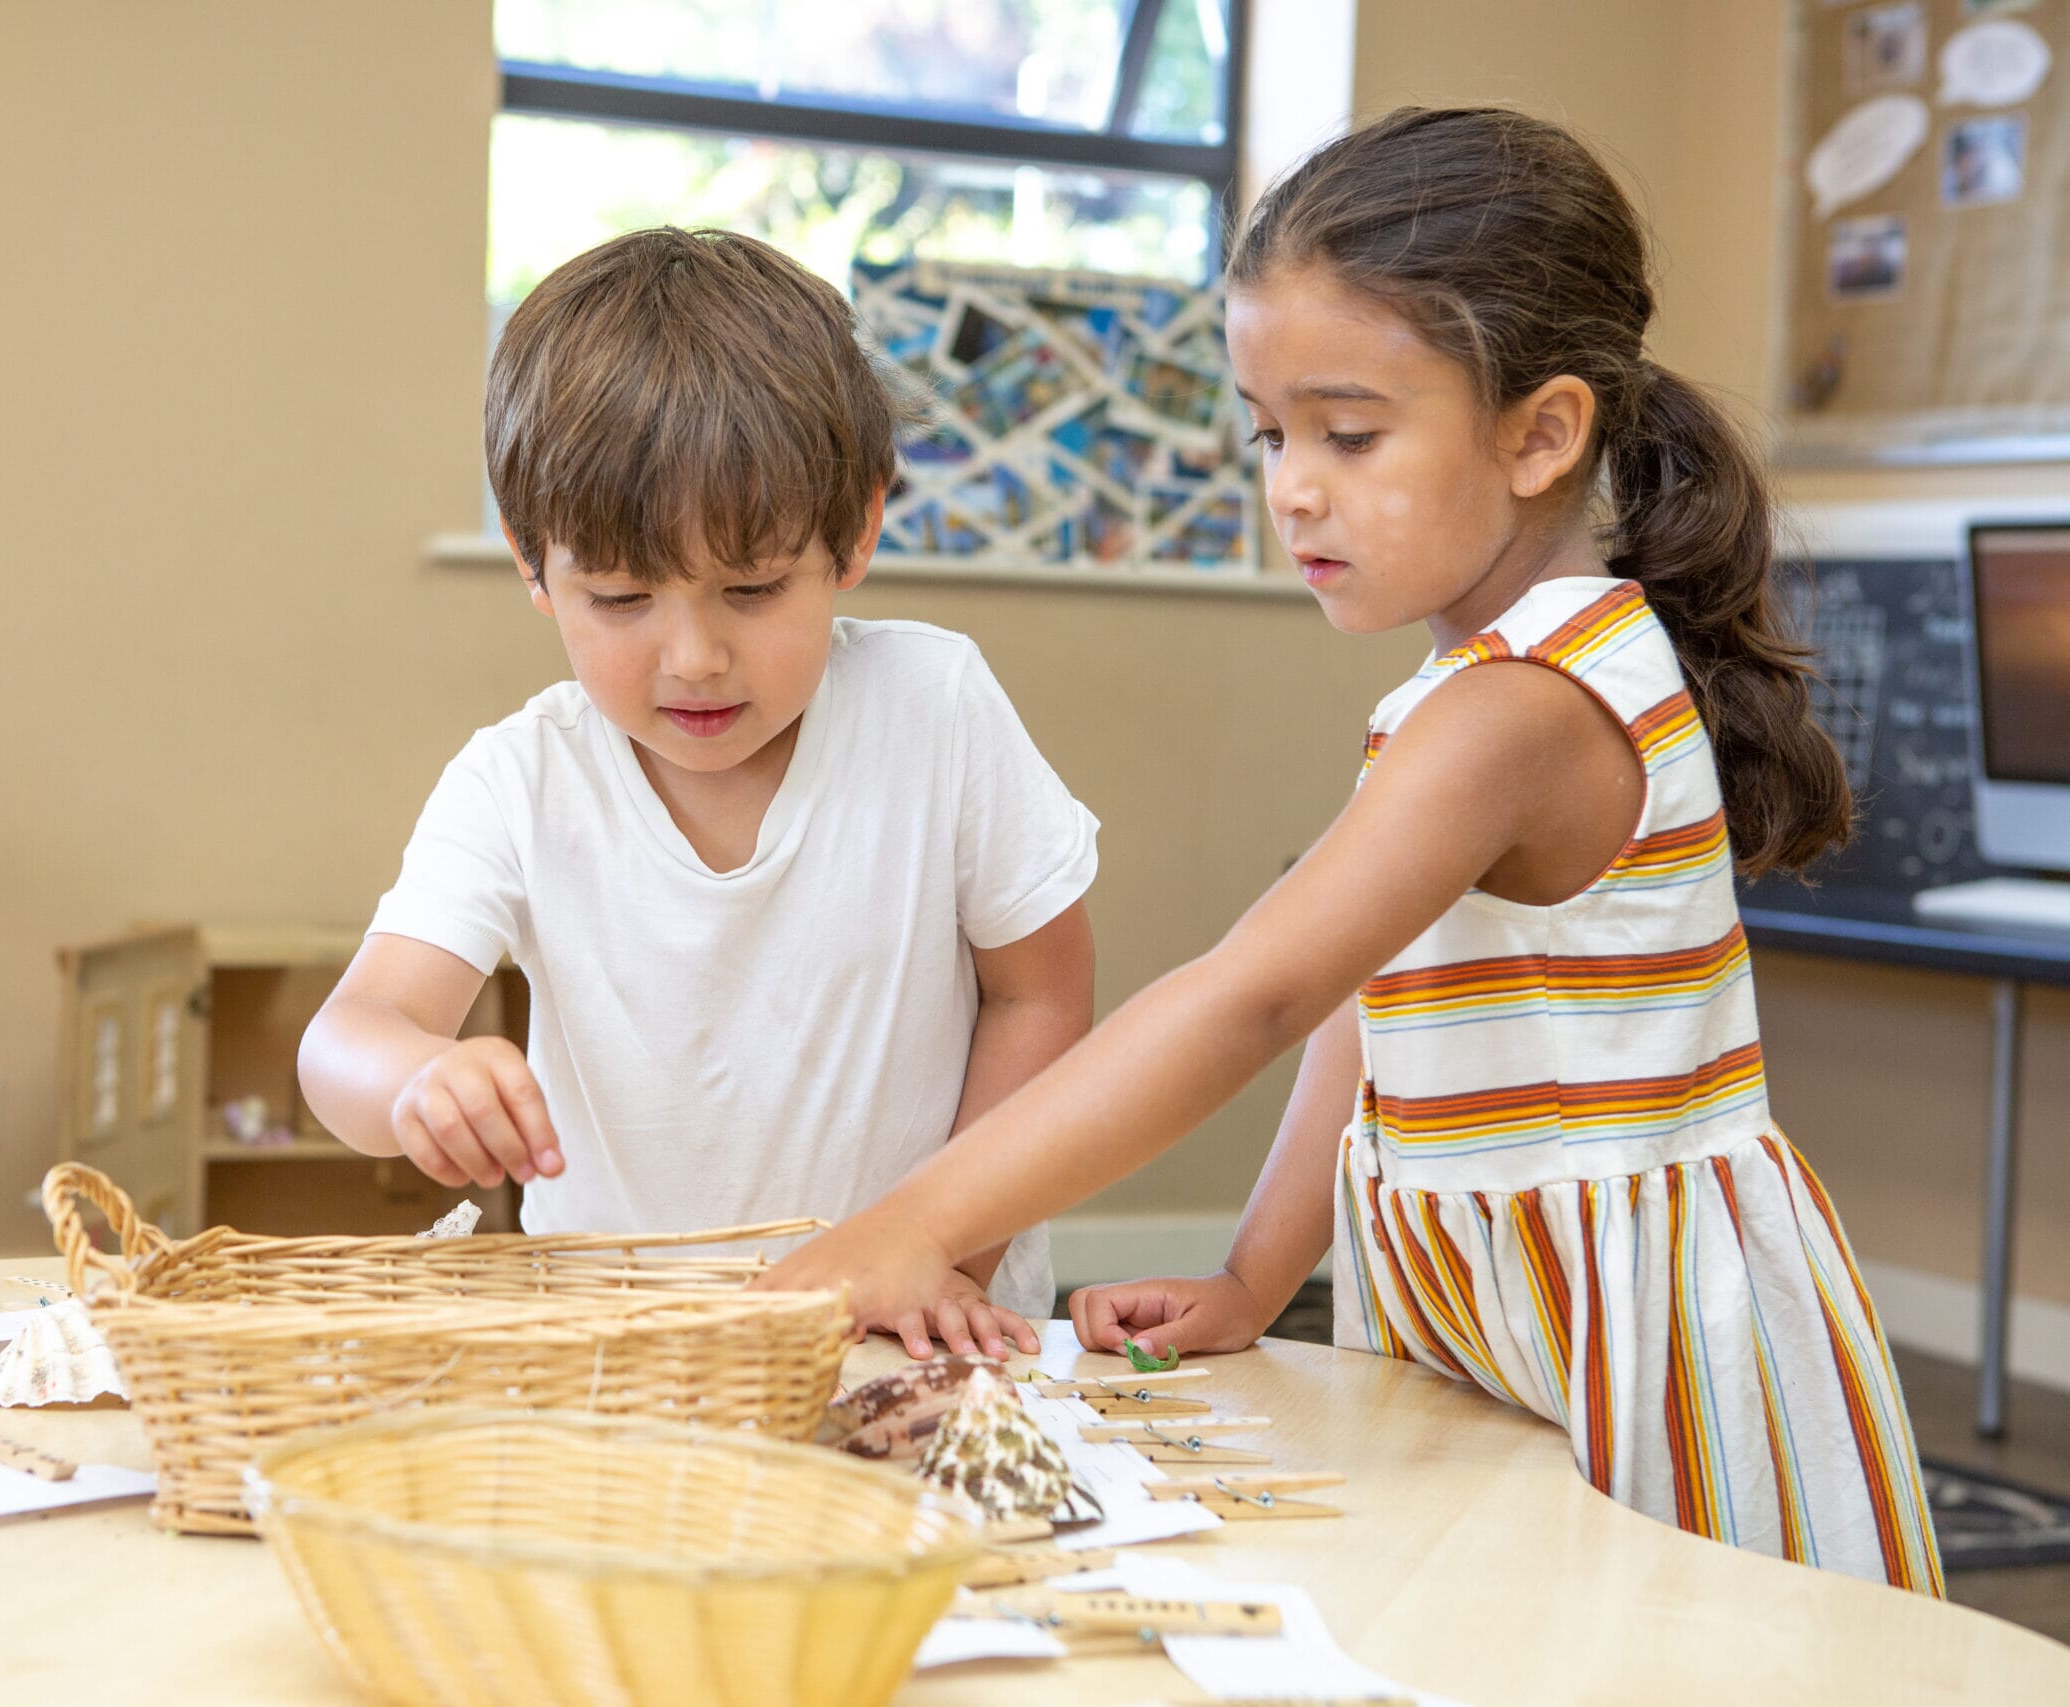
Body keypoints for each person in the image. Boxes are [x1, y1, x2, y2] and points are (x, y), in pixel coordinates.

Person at [758, 109, 1943, 1593]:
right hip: (1518, 1309)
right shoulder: (1462, 692)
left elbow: (1251, 992)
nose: (1292, 484)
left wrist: (914, 1223)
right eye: (1270, 431)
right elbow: (1357, 1003)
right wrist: (1260, 1270)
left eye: (1349, 432)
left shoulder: (1520, 707)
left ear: (1541, 431)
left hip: (1632, 1344)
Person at [298, 227, 1097, 1354]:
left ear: (856, 530)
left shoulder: (934, 707)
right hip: (624, 1354)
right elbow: (349, 1035)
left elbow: (1042, 998)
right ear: (534, 564)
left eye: (755, 587)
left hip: (917, 1339)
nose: (693, 658)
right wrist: (419, 1078)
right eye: (622, 599)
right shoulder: (520, 781)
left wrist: (939, 1254)